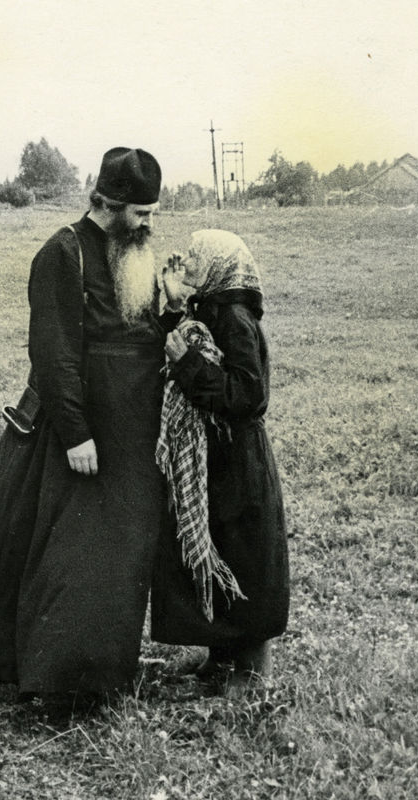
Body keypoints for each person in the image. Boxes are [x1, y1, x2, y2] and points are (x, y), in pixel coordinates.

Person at [0, 147, 184, 707]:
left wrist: (173, 309)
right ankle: (66, 680)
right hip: (84, 436)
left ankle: (105, 669)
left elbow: (140, 336)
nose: (149, 225)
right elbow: (53, 353)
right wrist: (76, 433)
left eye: (153, 213)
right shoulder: (62, 252)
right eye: (141, 214)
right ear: (108, 203)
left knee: (122, 552)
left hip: (132, 439)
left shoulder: (134, 252)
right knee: (74, 554)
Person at [151, 229, 289, 692]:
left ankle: (252, 672)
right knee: (219, 546)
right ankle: (221, 658)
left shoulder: (235, 317)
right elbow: (174, 349)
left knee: (245, 560)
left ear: (218, 265)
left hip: (239, 460)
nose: (187, 257)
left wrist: (189, 365)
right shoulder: (210, 306)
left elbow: (249, 395)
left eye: (197, 253)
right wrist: (174, 306)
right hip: (217, 456)